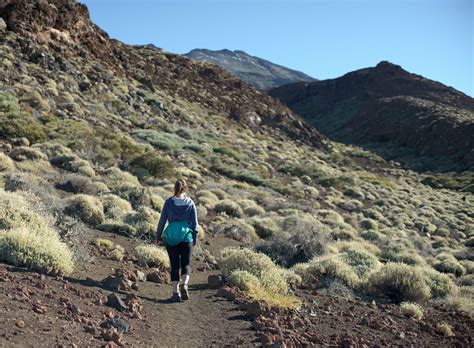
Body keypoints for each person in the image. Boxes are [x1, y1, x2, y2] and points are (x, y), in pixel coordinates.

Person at [156, 179, 198, 302]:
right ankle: (184, 284)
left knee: (174, 265)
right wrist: (194, 237)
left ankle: (175, 293)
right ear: (185, 189)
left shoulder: (169, 202)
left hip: (171, 237)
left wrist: (158, 236)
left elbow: (162, 221)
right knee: (185, 263)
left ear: (174, 188)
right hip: (186, 237)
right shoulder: (190, 203)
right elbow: (195, 224)